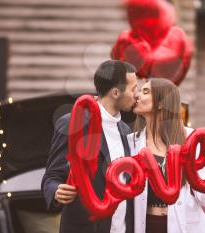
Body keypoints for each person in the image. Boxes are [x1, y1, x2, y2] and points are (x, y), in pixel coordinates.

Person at [41, 60, 138, 233]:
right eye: (133, 89)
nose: (136, 95)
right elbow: (52, 176)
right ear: (116, 92)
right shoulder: (73, 122)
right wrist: (56, 191)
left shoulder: (125, 129)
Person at [127, 78, 205, 233]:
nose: (137, 95)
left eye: (145, 91)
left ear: (160, 103)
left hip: (185, 226)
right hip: (147, 225)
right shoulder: (131, 142)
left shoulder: (191, 139)